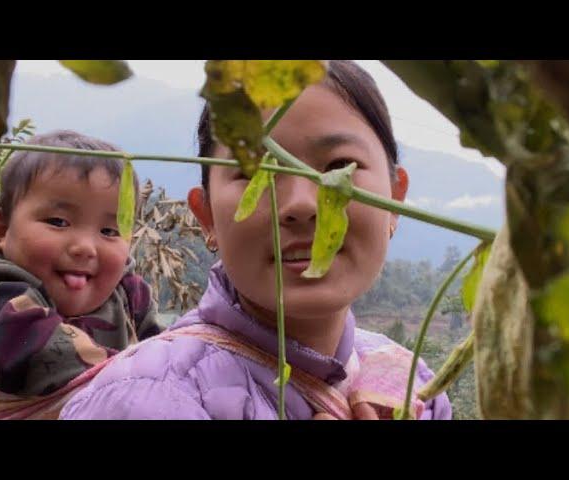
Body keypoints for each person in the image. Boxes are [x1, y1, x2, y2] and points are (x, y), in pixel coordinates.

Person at [60, 61, 452, 420]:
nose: (301, 204)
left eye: (338, 167)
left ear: (395, 199)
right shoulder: (143, 401)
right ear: (207, 216)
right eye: (256, 170)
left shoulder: (411, 385)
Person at [0, 130, 161, 418]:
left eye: (109, 231)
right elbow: (37, 350)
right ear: (2, 229)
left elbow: (166, 356)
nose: (85, 248)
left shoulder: (130, 293)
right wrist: (147, 388)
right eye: (58, 222)